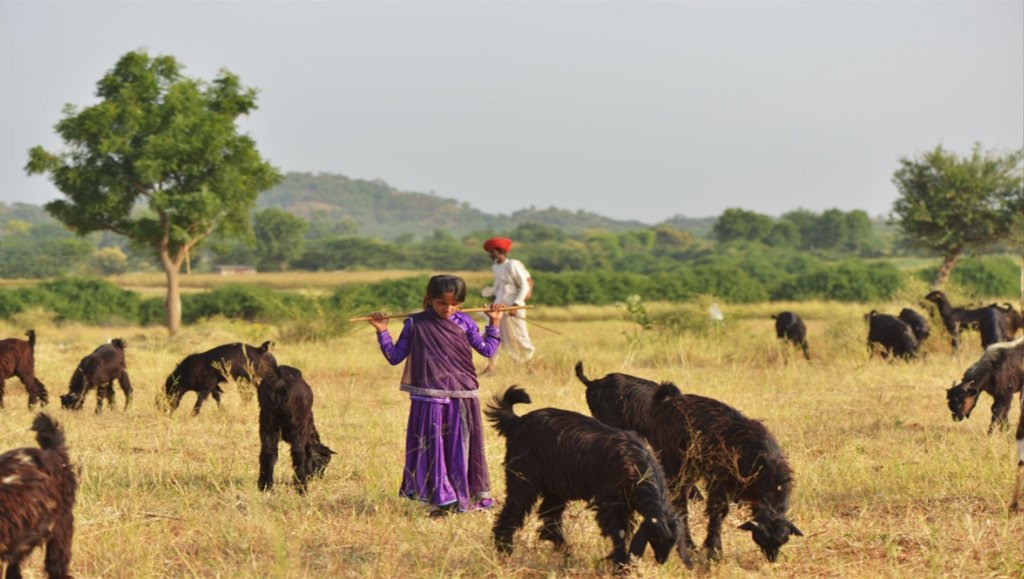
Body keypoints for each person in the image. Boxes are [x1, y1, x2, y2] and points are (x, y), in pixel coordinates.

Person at [368, 274, 504, 516]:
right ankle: (439, 500)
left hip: (462, 393)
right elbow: (395, 357)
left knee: (460, 446)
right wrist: (382, 332)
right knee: (433, 448)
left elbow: (487, 349)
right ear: (428, 299)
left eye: (455, 304)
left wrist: (494, 323)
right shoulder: (415, 323)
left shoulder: (466, 322)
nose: (448, 309)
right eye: (442, 303)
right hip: (429, 396)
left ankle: (462, 496)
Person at [481, 236, 535, 374]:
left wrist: (516, 305)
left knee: (520, 337)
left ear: (500, 251)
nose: (490, 254)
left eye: (492, 251)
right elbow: (498, 286)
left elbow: (524, 285)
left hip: (514, 307)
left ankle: (530, 367)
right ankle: (491, 367)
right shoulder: (495, 267)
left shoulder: (513, 264)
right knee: (494, 335)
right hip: (499, 307)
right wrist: (487, 292)